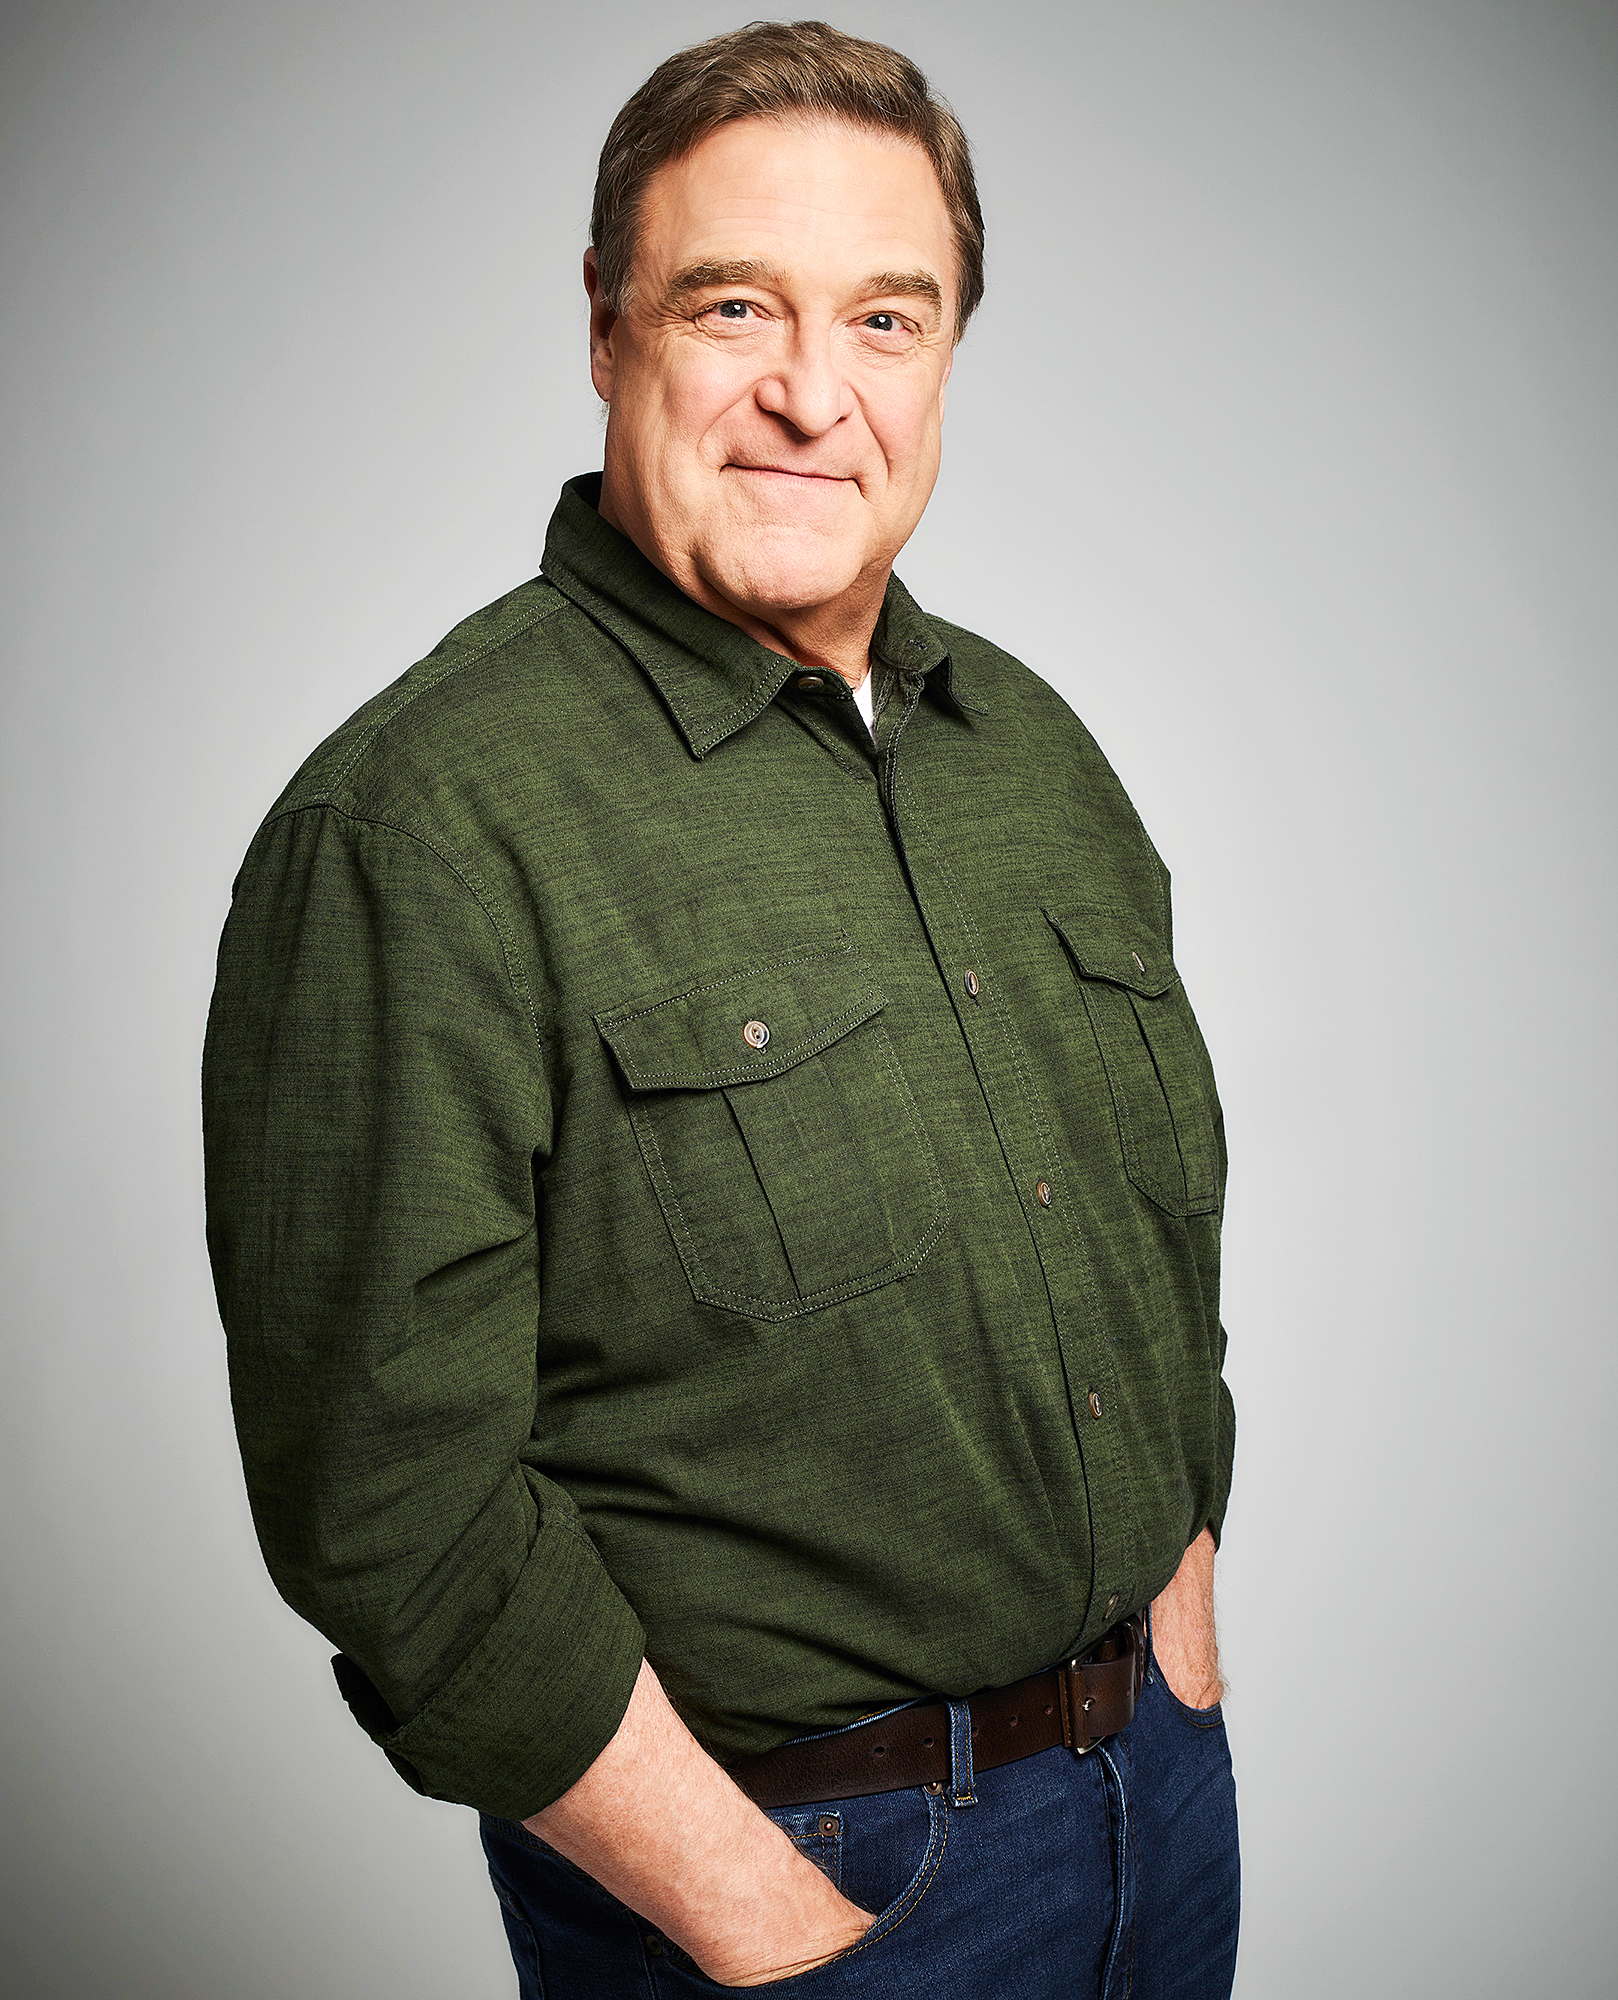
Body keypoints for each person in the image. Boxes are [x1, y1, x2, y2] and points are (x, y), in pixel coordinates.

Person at [203, 20, 1239, 1996]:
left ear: (944, 359)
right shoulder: (419, 824)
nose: (808, 394)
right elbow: (385, 1501)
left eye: (883, 319)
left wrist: (1175, 1642)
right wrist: (766, 1921)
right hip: (810, 1887)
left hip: (1158, 1815)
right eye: (733, 305)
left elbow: (1151, 1260)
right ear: (608, 329)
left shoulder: (1034, 755)